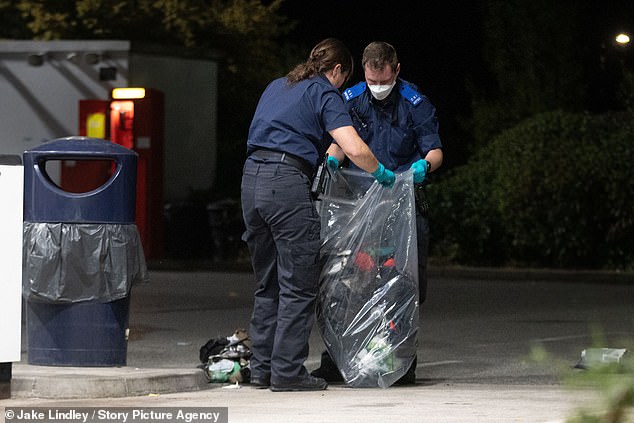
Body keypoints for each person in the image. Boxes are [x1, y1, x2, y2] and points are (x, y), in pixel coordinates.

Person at [241, 38, 395, 392]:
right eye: (344, 77)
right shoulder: (325, 92)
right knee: (298, 284)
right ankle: (287, 373)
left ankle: (262, 369)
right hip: (285, 183)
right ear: (337, 70)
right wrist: (380, 173)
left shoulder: (278, 85)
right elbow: (353, 146)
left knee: (268, 284)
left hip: (251, 182)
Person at [314, 41, 443, 384]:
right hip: (361, 204)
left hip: (406, 202)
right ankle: (337, 358)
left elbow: (435, 151)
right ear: (365, 73)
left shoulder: (415, 103)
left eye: (384, 80)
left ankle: (400, 359)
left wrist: (422, 167)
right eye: (372, 81)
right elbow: (340, 142)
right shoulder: (352, 98)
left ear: (396, 71)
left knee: (404, 281)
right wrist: (331, 161)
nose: (378, 87)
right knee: (348, 283)